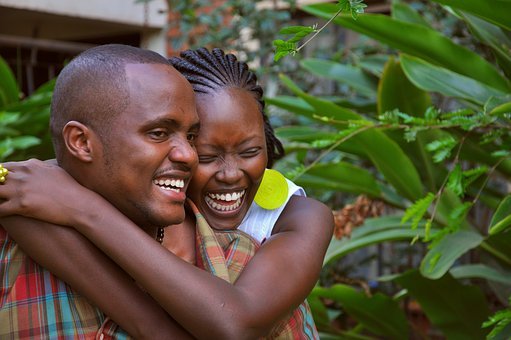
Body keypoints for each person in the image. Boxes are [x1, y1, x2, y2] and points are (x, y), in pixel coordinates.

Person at [0, 48, 334, 339]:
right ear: (82, 143)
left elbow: (237, 323)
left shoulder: (273, 238)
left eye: (249, 151)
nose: (187, 156)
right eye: (204, 151)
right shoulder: (22, 230)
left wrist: (81, 208)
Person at [0, 44, 200, 339]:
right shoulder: (9, 252)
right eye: (158, 133)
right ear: (81, 142)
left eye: (192, 136)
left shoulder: (240, 255)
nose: (189, 155)